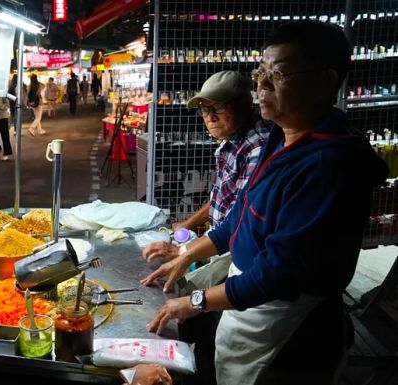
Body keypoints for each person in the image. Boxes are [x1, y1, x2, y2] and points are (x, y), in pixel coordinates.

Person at [142, 20, 388, 384]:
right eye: (261, 71)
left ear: (326, 81)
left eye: (281, 73)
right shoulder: (280, 135)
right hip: (252, 305)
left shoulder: (326, 165)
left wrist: (194, 302)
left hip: (290, 327)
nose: (263, 83)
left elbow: (279, 274)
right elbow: (240, 213)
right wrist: (188, 254)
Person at [141, 71, 270, 291]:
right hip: (220, 243)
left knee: (179, 292)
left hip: (237, 253)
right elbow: (223, 198)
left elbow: (237, 222)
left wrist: (184, 252)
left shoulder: (257, 147)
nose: (210, 117)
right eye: (204, 109)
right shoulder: (233, 139)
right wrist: (186, 225)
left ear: (246, 103)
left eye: (218, 107)